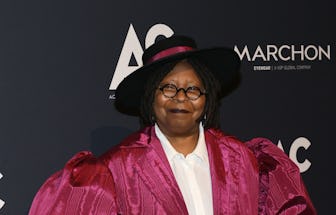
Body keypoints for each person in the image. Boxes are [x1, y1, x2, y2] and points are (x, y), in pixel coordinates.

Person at [29, 35, 316, 214]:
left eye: (192, 89)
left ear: (206, 99)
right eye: (168, 88)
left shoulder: (244, 161)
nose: (181, 98)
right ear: (150, 99)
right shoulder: (115, 170)